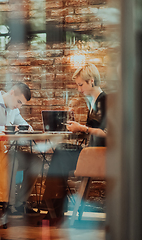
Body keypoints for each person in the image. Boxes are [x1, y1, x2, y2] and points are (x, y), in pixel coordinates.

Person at [42, 63, 107, 225]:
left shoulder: (104, 101)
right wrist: (79, 129)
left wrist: (83, 128)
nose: (79, 90)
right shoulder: (94, 102)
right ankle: (53, 209)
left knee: (60, 155)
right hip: (92, 152)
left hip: (99, 155)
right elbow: (94, 130)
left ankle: (52, 209)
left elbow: (107, 133)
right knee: (60, 153)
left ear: (91, 81)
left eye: (81, 85)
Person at [0, 82, 42, 216]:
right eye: (18, 101)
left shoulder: (14, 109)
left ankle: (19, 203)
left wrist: (29, 129)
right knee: (12, 162)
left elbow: (23, 124)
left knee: (36, 162)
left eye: (21, 104)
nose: (18, 106)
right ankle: (9, 205)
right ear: (11, 92)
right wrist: (4, 129)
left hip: (5, 152)